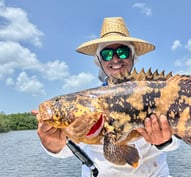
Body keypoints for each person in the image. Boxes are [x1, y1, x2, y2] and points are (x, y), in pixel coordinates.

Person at [36, 17, 179, 177]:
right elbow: (64, 151)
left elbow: (176, 142)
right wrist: (52, 143)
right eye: (108, 53)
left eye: (123, 52)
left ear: (133, 57)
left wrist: (165, 141)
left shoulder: (155, 94)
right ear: (99, 60)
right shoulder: (85, 104)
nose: (115, 58)